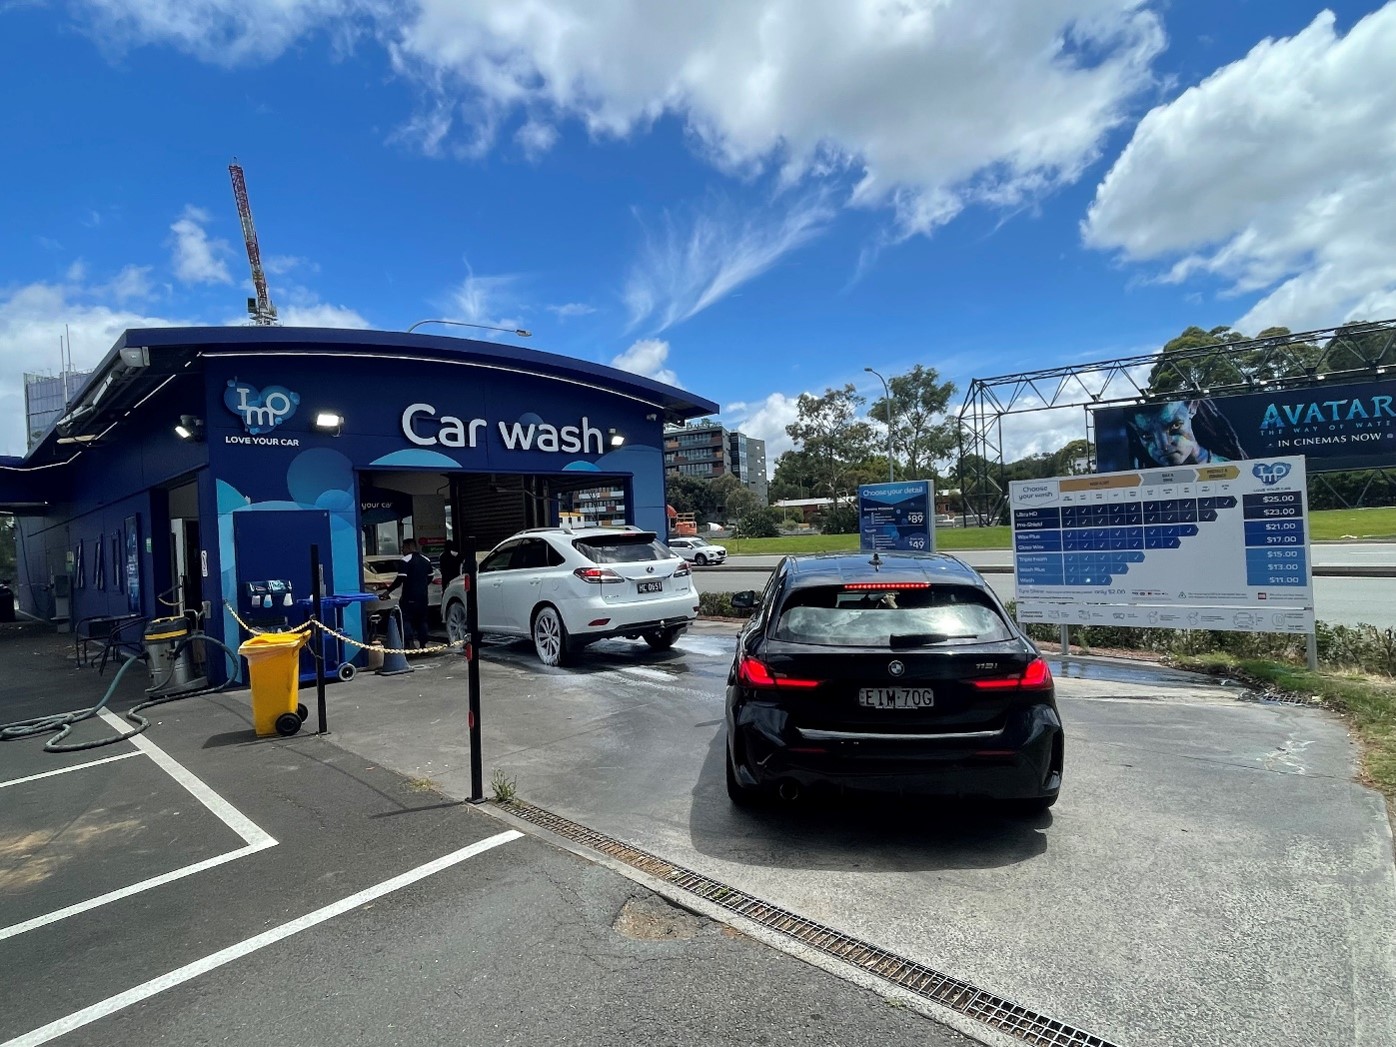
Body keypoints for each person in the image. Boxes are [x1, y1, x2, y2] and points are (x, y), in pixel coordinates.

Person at [1123, 398, 1247, 468]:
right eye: (1147, 436)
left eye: (1174, 426)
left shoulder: (1235, 470)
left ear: (1192, 407)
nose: (1163, 446)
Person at [383, 539, 434, 650]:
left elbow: (400, 578)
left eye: (403, 547)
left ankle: (409, 643)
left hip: (409, 596)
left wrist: (388, 591)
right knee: (423, 620)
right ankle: (423, 644)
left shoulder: (405, 560)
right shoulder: (426, 560)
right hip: (423, 596)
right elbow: (431, 576)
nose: (402, 550)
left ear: (410, 547)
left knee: (406, 619)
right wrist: (422, 585)